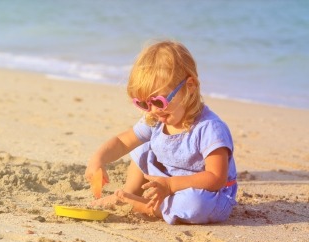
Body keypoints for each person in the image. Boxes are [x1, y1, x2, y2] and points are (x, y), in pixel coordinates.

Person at [85, 40, 237, 225]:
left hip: (207, 191)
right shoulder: (155, 118)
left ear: (190, 86)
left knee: (196, 204)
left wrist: (171, 185)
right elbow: (123, 142)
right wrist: (98, 159)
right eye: (143, 103)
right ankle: (129, 194)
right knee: (142, 148)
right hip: (166, 180)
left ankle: (145, 206)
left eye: (159, 102)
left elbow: (216, 178)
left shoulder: (209, 128)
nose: (152, 110)